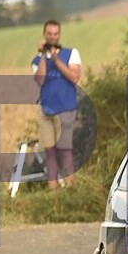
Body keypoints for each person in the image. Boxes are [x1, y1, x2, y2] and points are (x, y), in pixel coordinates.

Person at [31, 19, 82, 189]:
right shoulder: (37, 59)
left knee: (64, 150)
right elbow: (40, 79)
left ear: (59, 35)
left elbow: (74, 77)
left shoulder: (71, 53)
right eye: (49, 34)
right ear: (44, 35)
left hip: (65, 109)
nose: (52, 37)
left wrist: (57, 60)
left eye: (55, 34)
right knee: (50, 152)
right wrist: (45, 57)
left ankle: (69, 187)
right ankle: (53, 190)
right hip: (46, 110)